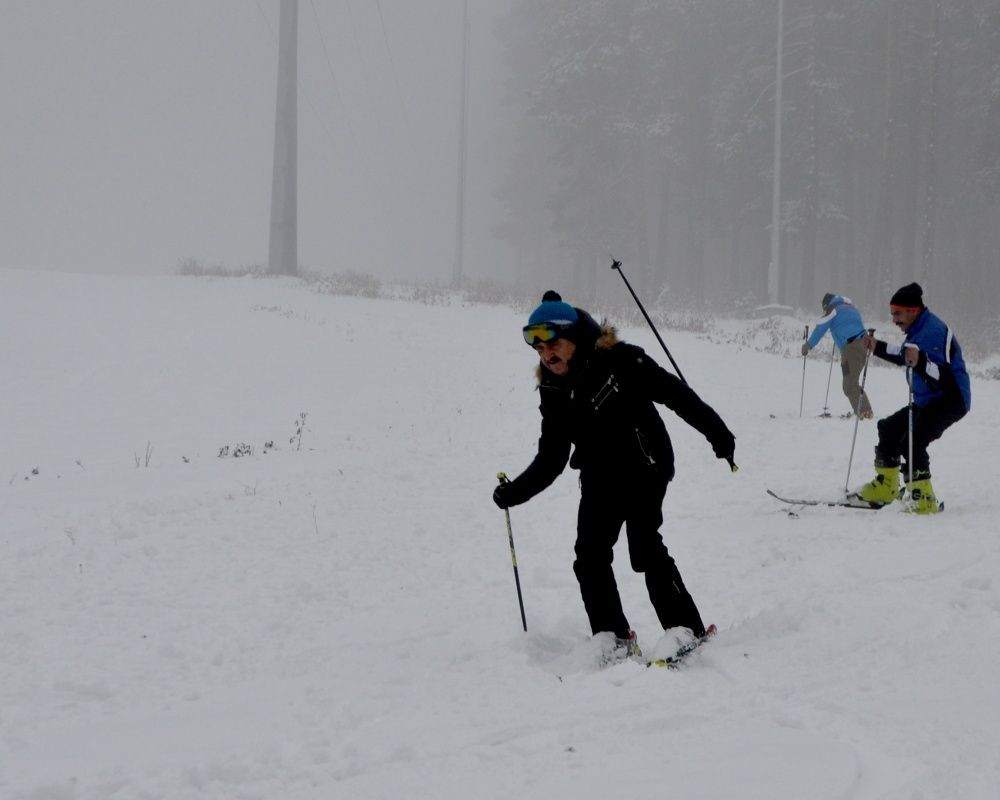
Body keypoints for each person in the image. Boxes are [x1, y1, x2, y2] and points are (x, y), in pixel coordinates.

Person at [492, 290, 735, 658]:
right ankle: (613, 636)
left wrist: (718, 434)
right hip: (599, 473)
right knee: (589, 554)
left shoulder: (622, 360)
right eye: (538, 349)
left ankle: (685, 628)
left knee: (644, 547)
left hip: (646, 463)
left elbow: (676, 395)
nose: (545, 355)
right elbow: (553, 455)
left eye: (552, 345)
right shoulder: (553, 386)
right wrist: (517, 491)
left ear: (573, 338)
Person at [850, 282, 971, 513]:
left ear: (913, 310)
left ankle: (923, 497)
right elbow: (906, 355)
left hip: (951, 399)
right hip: (928, 400)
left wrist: (921, 362)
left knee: (913, 439)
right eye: (892, 314)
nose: (894, 320)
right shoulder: (917, 329)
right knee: (889, 428)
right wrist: (877, 347)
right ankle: (887, 488)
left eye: (898, 314)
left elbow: (942, 377)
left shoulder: (932, 332)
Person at [801, 292, 873, 418]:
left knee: (849, 385)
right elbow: (849, 325)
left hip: (851, 348)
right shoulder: (851, 308)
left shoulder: (832, 309)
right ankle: (865, 410)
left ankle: (864, 412)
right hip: (863, 346)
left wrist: (808, 346)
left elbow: (820, 329)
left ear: (826, 305)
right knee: (852, 382)